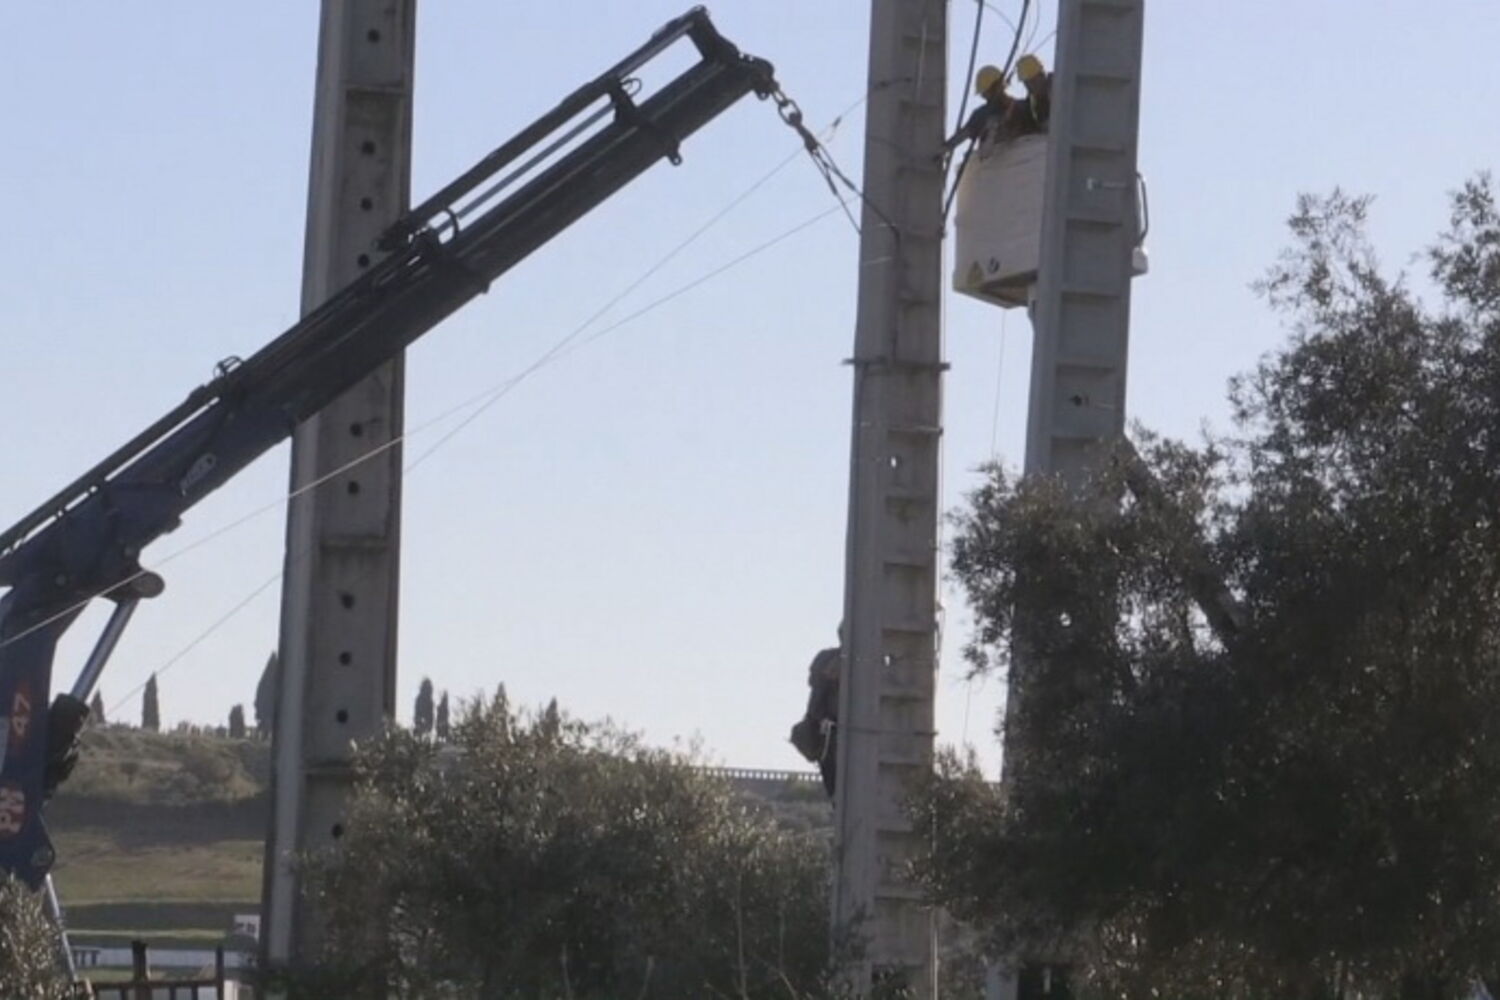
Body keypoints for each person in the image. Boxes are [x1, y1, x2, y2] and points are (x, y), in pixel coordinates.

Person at [789, 625, 843, 796]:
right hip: (828, 731)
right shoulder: (828, 659)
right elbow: (816, 696)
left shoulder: (827, 658)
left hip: (830, 730)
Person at [943, 64, 1018, 151]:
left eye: (987, 92)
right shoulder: (981, 114)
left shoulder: (1018, 107)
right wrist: (944, 149)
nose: (984, 96)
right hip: (996, 155)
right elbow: (965, 133)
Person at [1016, 54, 1052, 131]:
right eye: (1026, 83)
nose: (1030, 87)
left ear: (1041, 75)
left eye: (1032, 81)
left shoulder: (1059, 87)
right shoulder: (1031, 103)